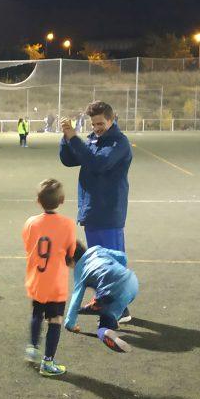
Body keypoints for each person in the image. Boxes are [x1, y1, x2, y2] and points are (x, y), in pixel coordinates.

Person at [59, 101, 133, 324]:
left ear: (112, 119)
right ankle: (105, 301)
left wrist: (74, 138)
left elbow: (99, 164)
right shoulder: (93, 139)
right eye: (94, 124)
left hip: (107, 211)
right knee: (100, 262)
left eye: (101, 123)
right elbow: (69, 159)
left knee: (110, 262)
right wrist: (66, 138)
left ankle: (120, 309)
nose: (97, 127)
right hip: (92, 209)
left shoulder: (119, 143)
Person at [22, 179, 78, 377]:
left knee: (37, 312)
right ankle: (48, 362)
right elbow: (71, 254)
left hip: (37, 279)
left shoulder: (31, 223)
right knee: (55, 319)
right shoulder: (68, 224)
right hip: (56, 283)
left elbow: (28, 246)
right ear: (62, 200)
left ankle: (33, 347)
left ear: (38, 200)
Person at [64, 245, 136, 353]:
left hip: (112, 293)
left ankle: (106, 330)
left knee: (103, 320)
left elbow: (76, 299)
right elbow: (122, 257)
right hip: (132, 281)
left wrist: (70, 324)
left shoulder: (79, 270)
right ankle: (113, 317)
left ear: (71, 262)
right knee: (107, 302)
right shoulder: (96, 249)